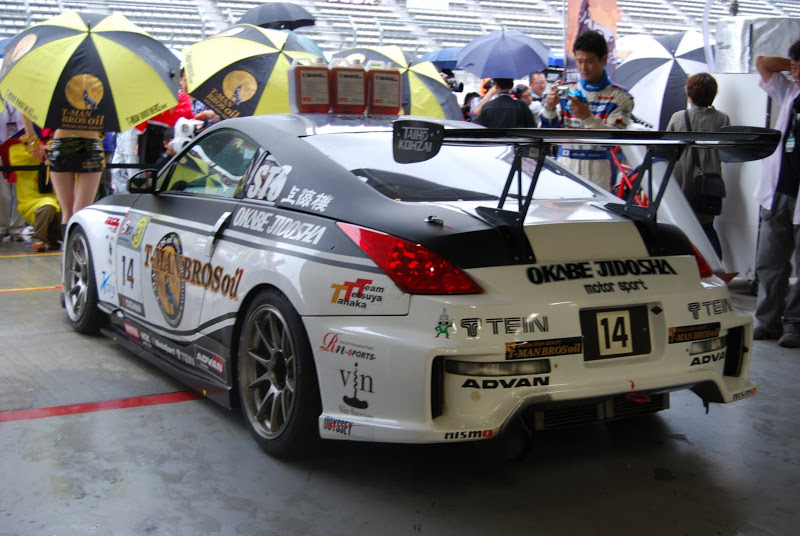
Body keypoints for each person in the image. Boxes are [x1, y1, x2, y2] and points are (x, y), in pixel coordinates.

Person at [751, 39, 800, 347]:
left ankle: (794, 324)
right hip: (778, 190)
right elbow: (762, 63)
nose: (796, 73)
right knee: (770, 262)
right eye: (795, 67)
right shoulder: (791, 92)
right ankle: (767, 321)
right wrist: (792, 64)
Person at [541, 30, 634, 190]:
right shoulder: (566, 90)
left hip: (599, 168)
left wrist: (587, 118)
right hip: (565, 164)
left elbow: (614, 140)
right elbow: (548, 134)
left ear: (603, 59)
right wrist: (549, 108)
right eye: (579, 61)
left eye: (589, 61)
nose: (583, 67)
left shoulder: (620, 97)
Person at [666, 73, 730, 260]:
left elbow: (668, 151)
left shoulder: (678, 118)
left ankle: (686, 265)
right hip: (710, 184)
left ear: (689, 94)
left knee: (680, 226)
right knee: (707, 228)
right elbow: (726, 154)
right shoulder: (722, 120)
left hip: (681, 180)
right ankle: (716, 267)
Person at [22, 116, 103, 235]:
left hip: (79, 144)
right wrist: (32, 143)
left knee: (75, 212)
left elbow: (26, 107)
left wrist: (32, 143)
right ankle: (73, 251)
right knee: (76, 211)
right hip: (83, 142)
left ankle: (72, 250)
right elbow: (26, 106)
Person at [9, 129, 62, 252]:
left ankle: (53, 238)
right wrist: (37, 148)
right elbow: (16, 157)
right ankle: (39, 238)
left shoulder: (57, 150)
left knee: (64, 208)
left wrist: (52, 150)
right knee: (48, 205)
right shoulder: (18, 150)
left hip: (57, 199)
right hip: (32, 202)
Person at [0, 101, 26, 242]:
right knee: (2, 192)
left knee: (20, 190)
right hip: (0, 145)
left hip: (20, 147)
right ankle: (2, 227)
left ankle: (18, 228)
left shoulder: (23, 98)